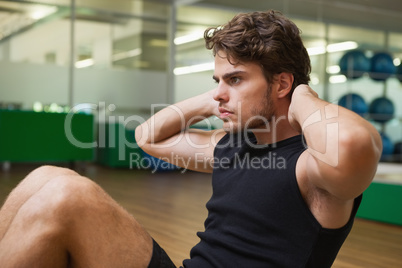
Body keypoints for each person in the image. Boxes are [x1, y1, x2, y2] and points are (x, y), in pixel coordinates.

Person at [0, 10, 381, 268]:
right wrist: (216, 95)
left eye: (235, 79)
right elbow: (147, 136)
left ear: (281, 83)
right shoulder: (230, 147)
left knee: (68, 195)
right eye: (217, 80)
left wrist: (302, 97)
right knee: (47, 177)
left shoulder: (312, 168)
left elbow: (351, 144)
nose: (219, 91)